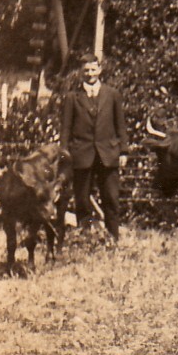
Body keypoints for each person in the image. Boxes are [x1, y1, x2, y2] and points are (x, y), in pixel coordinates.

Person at [59, 53, 129, 242]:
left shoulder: (112, 94)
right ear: (81, 73)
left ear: (100, 69)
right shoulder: (73, 97)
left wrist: (123, 150)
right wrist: (64, 152)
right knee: (82, 199)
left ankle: (113, 239)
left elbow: (120, 125)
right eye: (86, 70)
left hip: (108, 153)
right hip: (81, 153)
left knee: (111, 198)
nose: (90, 73)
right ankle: (86, 237)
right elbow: (65, 128)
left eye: (93, 69)